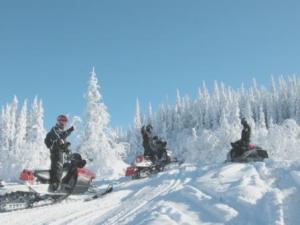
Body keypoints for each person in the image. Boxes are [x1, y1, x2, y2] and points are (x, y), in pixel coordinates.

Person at [44, 115, 75, 192]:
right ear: (58, 121)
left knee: (63, 168)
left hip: (60, 152)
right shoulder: (55, 129)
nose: (63, 123)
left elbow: (62, 143)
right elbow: (60, 137)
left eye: (64, 121)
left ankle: (62, 186)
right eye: (61, 121)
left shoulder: (60, 131)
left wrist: (67, 149)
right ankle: (55, 188)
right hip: (56, 152)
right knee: (58, 168)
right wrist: (70, 130)